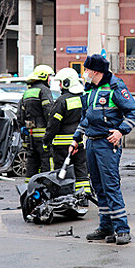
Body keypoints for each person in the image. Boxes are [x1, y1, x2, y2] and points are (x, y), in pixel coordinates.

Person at [69, 54, 135, 245]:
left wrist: (120, 131)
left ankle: (123, 229)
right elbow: (87, 118)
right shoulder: (91, 89)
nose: (85, 73)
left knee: (111, 186)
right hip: (92, 142)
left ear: (96, 71)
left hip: (107, 144)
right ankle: (106, 227)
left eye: (86, 70)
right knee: (99, 187)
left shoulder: (115, 87)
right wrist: (76, 139)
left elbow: (134, 112)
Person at [43, 68, 91, 204]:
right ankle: (84, 198)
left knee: (62, 172)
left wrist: (46, 140)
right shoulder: (83, 98)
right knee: (81, 170)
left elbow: (53, 125)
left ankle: (64, 198)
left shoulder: (61, 101)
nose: (59, 86)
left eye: (60, 83)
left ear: (66, 83)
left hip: (62, 145)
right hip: (79, 142)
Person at [17, 65, 55, 181]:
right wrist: (52, 130)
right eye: (49, 77)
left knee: (32, 165)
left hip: (31, 137)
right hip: (43, 136)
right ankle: (47, 189)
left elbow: (20, 115)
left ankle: (30, 190)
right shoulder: (44, 91)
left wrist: (24, 134)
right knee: (47, 164)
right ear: (43, 77)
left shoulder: (27, 93)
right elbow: (49, 112)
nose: (50, 80)